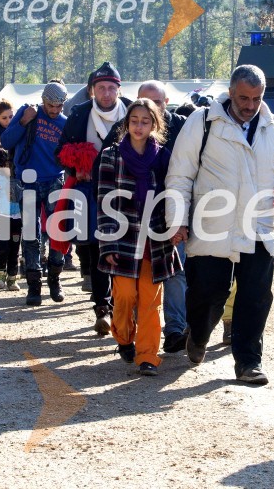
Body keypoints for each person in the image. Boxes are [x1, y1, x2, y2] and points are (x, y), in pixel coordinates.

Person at [166, 65, 274, 385]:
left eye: (256, 98)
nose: (249, 105)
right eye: (243, 97)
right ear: (231, 93)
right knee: (208, 295)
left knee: (255, 296)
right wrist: (177, 220)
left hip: (259, 227)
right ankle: (198, 336)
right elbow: (180, 176)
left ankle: (248, 362)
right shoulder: (202, 123)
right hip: (211, 228)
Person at [96, 98, 181, 376]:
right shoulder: (111, 155)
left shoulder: (164, 157)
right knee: (123, 297)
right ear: (127, 123)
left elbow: (174, 195)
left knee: (150, 301)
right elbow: (104, 200)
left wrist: (176, 226)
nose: (139, 126)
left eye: (145, 121)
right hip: (122, 236)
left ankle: (147, 356)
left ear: (155, 124)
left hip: (155, 239)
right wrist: (107, 243)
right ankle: (123, 337)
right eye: (134, 121)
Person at [56, 62, 132, 334]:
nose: (107, 93)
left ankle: (123, 304)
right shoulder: (79, 115)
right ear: (92, 90)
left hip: (126, 191)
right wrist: (76, 166)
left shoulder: (133, 111)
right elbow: (61, 150)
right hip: (90, 191)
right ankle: (102, 305)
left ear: (119, 89)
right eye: (101, 88)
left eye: (112, 88)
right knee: (98, 244)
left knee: (122, 246)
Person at [0, 81, 68, 306]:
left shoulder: (64, 123)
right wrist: (22, 121)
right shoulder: (27, 112)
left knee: (58, 232)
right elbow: (6, 141)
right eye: (51, 105)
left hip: (54, 180)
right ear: (43, 100)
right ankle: (34, 286)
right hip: (27, 181)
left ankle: (55, 280)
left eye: (59, 106)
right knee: (31, 234)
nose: (55, 110)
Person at [0, 146, 22, 291]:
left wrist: (15, 194)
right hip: (0, 216)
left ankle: (12, 278)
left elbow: (24, 196)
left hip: (16, 217)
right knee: (2, 246)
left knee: (14, 247)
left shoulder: (18, 177)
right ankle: (1, 275)